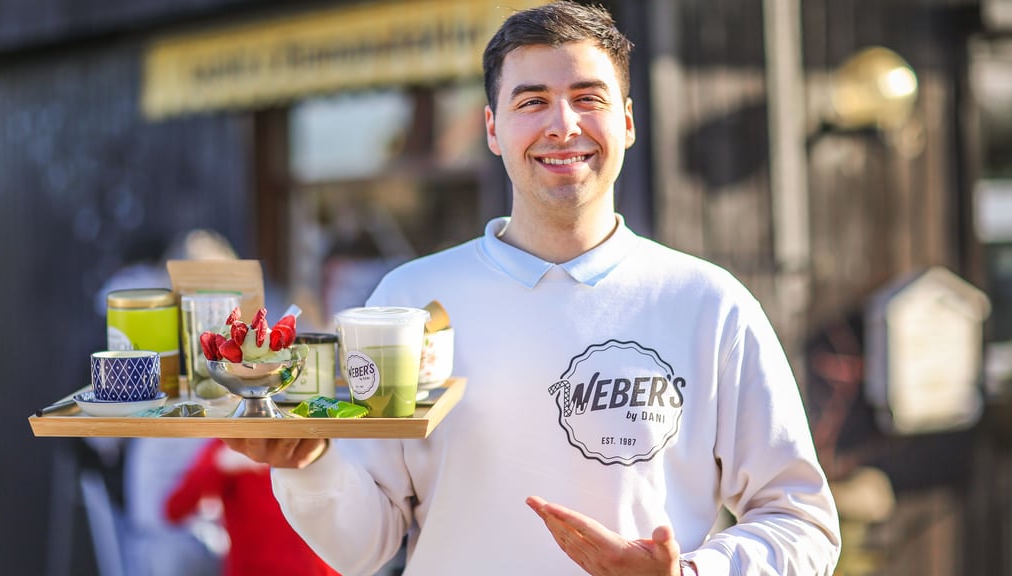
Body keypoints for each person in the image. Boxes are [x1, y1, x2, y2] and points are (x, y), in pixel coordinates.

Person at [224, 2, 842, 574]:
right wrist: (308, 465)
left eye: (587, 97)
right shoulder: (405, 301)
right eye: (532, 101)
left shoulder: (710, 304)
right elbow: (366, 547)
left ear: (626, 122)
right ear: (492, 130)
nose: (563, 124)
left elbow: (801, 520)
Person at [165, 439, 342, 576]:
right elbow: (174, 510)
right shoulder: (232, 444)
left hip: (315, 571)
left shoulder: (314, 441)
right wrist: (220, 466)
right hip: (252, 570)